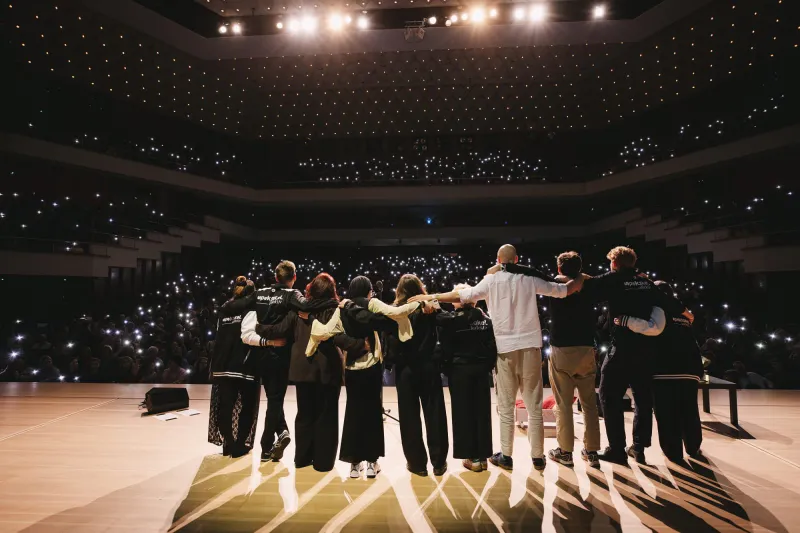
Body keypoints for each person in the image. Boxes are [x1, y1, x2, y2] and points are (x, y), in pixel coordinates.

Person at [504, 246, 689, 464]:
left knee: (588, 400)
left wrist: (512, 267)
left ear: (615, 263)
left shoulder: (604, 281)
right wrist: (686, 312)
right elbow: (667, 301)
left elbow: (541, 275)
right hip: (620, 350)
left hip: (593, 349)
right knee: (612, 402)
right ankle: (616, 449)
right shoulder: (644, 283)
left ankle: (586, 451)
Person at [411, 245, 582, 472]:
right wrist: (581, 277)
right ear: (517, 259)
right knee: (534, 407)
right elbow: (564, 290)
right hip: (530, 347)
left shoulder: (490, 281)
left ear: (498, 260)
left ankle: (506, 456)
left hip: (505, 349)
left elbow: (462, 295)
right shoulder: (529, 278)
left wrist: (429, 296)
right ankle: (538, 457)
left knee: (506, 407)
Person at [252, 273, 368, 472]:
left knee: (304, 415)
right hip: (328, 369)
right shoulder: (336, 310)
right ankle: (323, 462)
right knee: (327, 416)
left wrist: (257, 326)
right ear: (332, 291)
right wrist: (361, 346)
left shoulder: (299, 311)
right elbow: (340, 338)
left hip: (302, 368)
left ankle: (302, 459)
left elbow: (279, 329)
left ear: (311, 290)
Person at [240, 260, 338, 462]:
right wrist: (334, 302)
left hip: (275, 360)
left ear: (276, 277)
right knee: (286, 404)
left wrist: (260, 329)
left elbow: (276, 329)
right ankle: (270, 446)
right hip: (303, 362)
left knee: (286, 406)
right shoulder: (296, 298)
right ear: (294, 277)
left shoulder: (264, 296)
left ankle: (292, 445)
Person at [335, 276, 421, 479]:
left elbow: (334, 333)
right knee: (373, 413)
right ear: (368, 290)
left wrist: (353, 344)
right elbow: (392, 316)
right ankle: (372, 463)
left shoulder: (342, 308)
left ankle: (354, 464)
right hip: (372, 365)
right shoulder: (371, 304)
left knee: (353, 413)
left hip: (351, 367)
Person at [526, 252, 602, 469]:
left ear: (559, 268)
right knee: (589, 404)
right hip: (586, 348)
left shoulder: (554, 284)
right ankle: (592, 452)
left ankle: (565, 452)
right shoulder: (588, 285)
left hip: (562, 349)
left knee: (564, 404)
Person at [615, 280, 704, 463]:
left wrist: (626, 321)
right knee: (689, 410)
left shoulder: (658, 308)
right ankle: (693, 447)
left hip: (665, 369)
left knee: (667, 412)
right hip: (690, 368)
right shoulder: (683, 314)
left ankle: (673, 452)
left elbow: (653, 328)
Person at [385, 274, 451, 476]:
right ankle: (439, 462)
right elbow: (445, 322)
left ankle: (417, 464)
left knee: (409, 417)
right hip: (428, 365)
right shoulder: (428, 307)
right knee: (435, 413)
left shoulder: (394, 311)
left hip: (405, 369)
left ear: (399, 290)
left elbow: (389, 340)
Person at [208, 277, 276, 457]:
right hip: (244, 364)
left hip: (222, 364)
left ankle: (227, 444)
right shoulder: (251, 308)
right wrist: (269, 342)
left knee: (225, 406)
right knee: (248, 406)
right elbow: (248, 337)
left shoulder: (224, 309)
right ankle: (239, 445)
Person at [437, 283, 497, 473]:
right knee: (482, 413)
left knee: (463, 414)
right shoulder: (487, 321)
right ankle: (483, 456)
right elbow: (492, 349)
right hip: (481, 372)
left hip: (459, 371)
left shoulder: (451, 321)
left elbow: (445, 348)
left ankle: (472, 458)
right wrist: (486, 367)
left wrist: (447, 368)